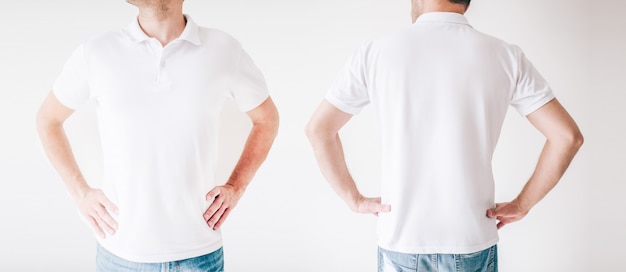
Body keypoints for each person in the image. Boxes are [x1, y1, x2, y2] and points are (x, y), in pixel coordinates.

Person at [305, 0, 583, 271]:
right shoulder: (504, 55)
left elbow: (319, 130)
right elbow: (567, 137)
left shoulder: (376, 52)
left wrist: (354, 199)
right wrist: (523, 205)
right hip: (471, 237)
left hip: (401, 239)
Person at [36, 0, 279, 271]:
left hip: (199, 255)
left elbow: (266, 118)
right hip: (120, 255)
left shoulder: (223, 49)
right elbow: (48, 119)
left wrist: (237, 186)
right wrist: (80, 193)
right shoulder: (97, 52)